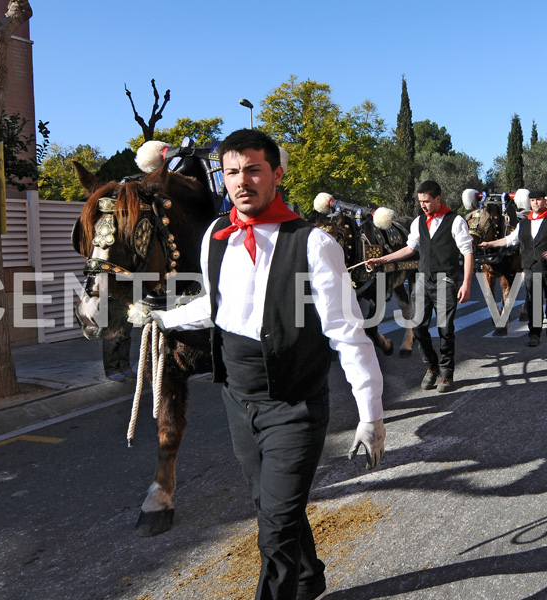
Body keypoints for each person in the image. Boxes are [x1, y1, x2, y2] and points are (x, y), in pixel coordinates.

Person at [146, 129, 385, 600]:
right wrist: (163, 317)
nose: (242, 181)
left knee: (272, 531)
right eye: (232, 171)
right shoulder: (217, 236)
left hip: (295, 406)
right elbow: (216, 306)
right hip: (239, 399)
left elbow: (347, 332)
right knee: (272, 506)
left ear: (277, 174)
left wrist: (371, 413)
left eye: (253, 169)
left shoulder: (315, 244)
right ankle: (310, 574)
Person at [365, 180, 473, 393]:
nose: (422, 205)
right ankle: (431, 367)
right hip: (423, 279)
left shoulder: (455, 221)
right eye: (420, 201)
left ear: (438, 198)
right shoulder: (418, 222)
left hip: (446, 279)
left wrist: (466, 284)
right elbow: (409, 248)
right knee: (419, 327)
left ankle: (446, 373)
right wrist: (382, 260)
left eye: (426, 201)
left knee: (445, 328)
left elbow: (467, 252)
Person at [478, 190, 547, 346]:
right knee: (534, 299)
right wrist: (490, 243)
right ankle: (534, 333)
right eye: (533, 200)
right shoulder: (524, 223)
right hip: (529, 266)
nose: (535, 203)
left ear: (544, 202)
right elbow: (510, 240)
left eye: (538, 200)